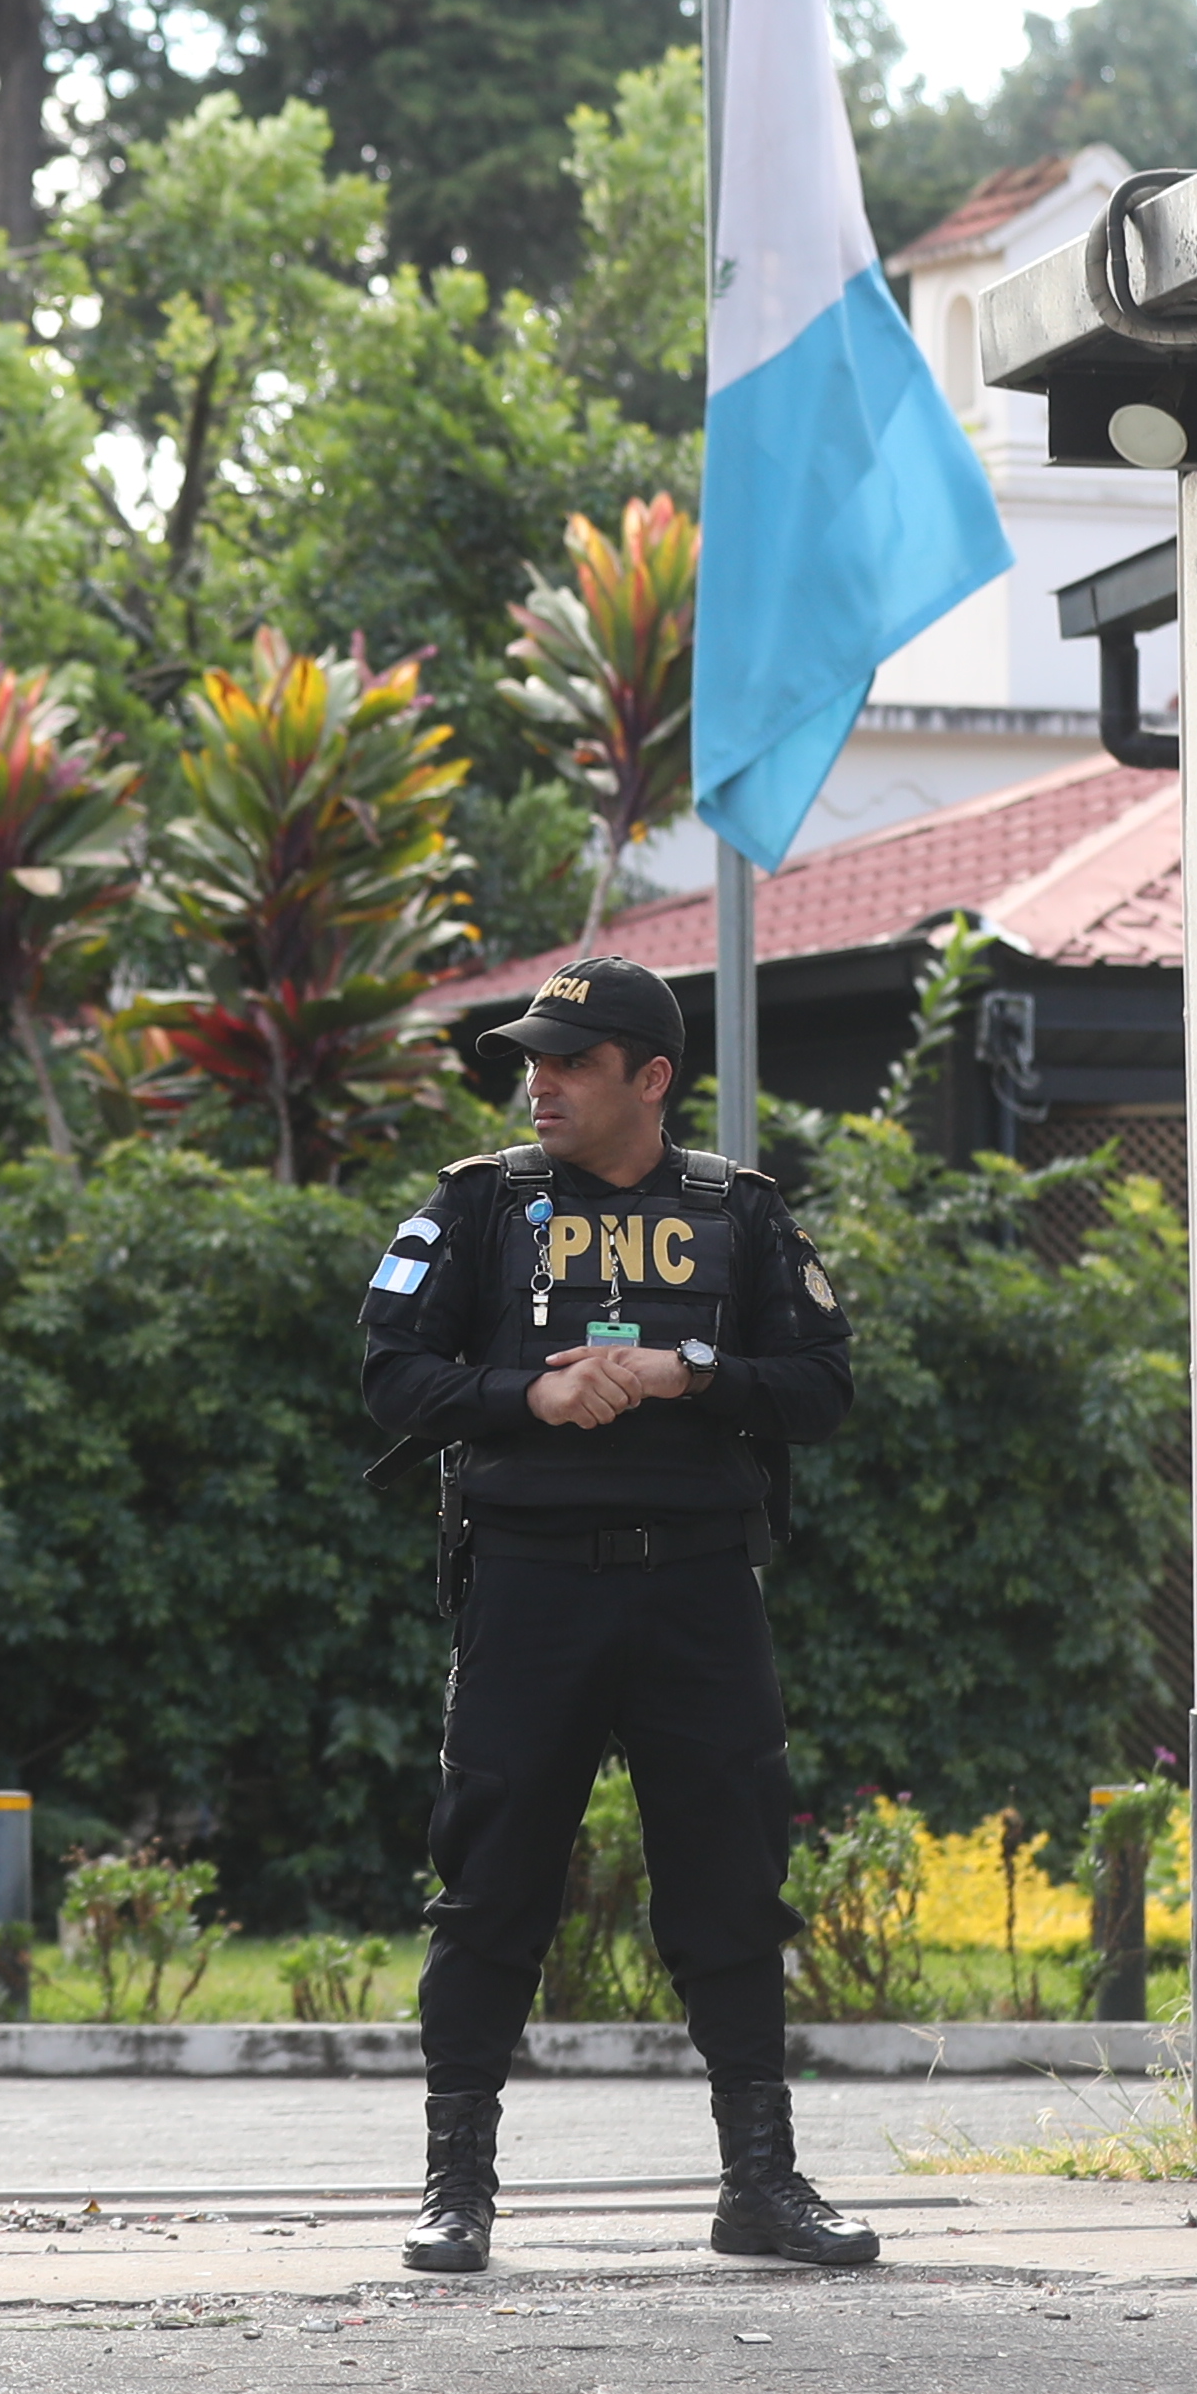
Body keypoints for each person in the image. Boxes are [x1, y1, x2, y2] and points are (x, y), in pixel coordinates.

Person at [361, 954, 879, 2276]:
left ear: (651, 1079)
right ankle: (455, 2188)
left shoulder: (742, 1214)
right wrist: (523, 1398)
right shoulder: (479, 1208)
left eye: (572, 1062)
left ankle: (761, 2186)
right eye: (532, 1060)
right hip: (530, 1586)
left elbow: (821, 1387)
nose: (540, 1082)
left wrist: (682, 1371)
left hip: (700, 1590)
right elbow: (390, 1372)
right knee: (488, 1888)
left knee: (733, 1888)